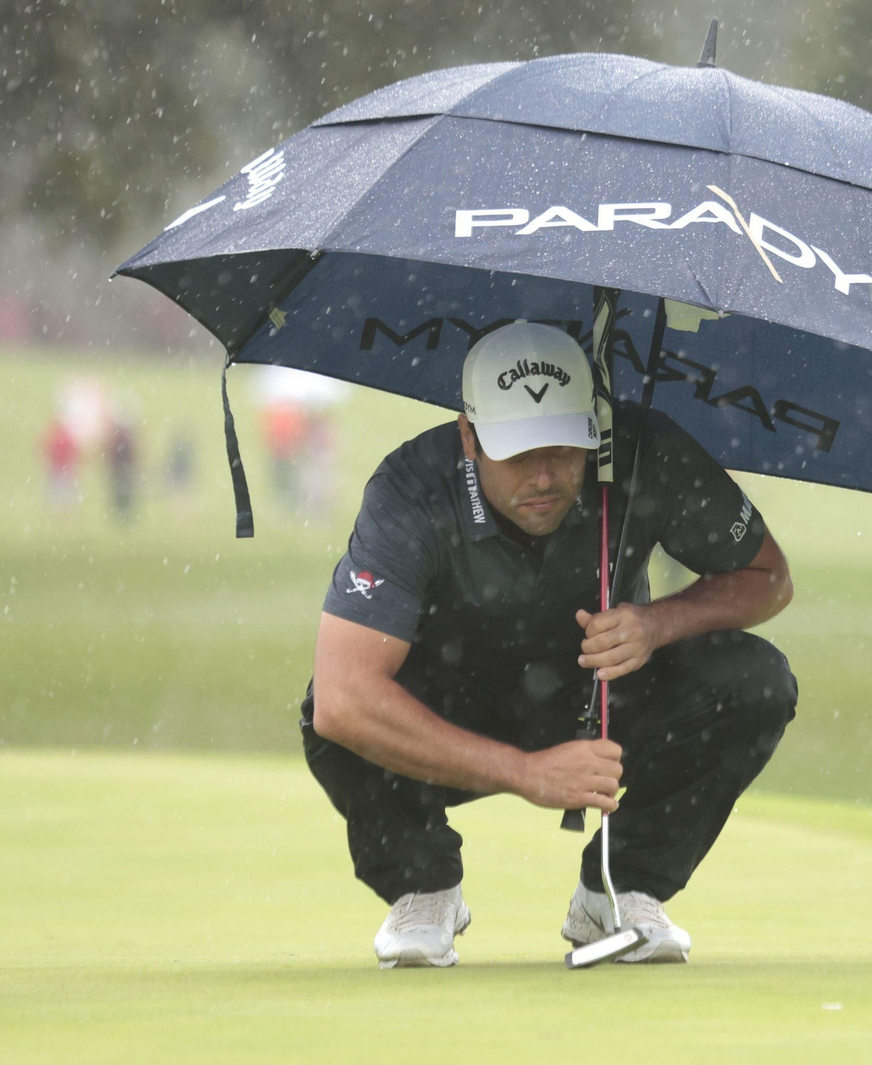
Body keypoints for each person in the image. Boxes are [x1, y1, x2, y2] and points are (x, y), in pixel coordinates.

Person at [303, 321, 797, 968]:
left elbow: (769, 579)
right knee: (329, 715)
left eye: (564, 448)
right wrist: (527, 773)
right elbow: (345, 699)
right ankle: (423, 885)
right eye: (517, 451)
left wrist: (656, 625)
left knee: (756, 679)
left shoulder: (645, 451)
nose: (543, 475)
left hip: (603, 696)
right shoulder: (411, 487)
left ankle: (616, 892)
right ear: (468, 435)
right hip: (453, 702)